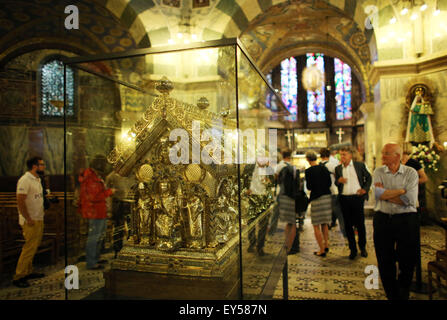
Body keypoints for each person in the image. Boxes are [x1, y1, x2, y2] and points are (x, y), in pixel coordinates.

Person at [373, 143, 419, 300]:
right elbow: (378, 194)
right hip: (383, 219)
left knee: (407, 259)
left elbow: (410, 200)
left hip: (406, 220)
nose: (382, 156)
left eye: (386, 153)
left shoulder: (411, 173)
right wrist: (400, 192)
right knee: (384, 259)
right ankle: (391, 295)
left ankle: (403, 292)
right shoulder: (378, 172)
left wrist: (386, 193)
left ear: (397, 156)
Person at [12, 157, 47, 288]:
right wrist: (28, 218)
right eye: (42, 165)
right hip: (30, 220)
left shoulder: (37, 179)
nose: (44, 167)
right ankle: (18, 276)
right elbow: (20, 201)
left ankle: (28, 271)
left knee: (33, 247)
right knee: (28, 248)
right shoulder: (25, 180)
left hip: (38, 217)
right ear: (34, 166)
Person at [78, 154, 115, 270]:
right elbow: (94, 196)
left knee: (98, 237)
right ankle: (91, 262)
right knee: (94, 238)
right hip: (94, 212)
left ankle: (96, 258)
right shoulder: (90, 177)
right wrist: (109, 192)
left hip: (99, 211)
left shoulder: (94, 175)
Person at [335, 146, 372, 260]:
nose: (342, 157)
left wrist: (364, 189)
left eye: (344, 154)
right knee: (348, 226)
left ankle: (362, 248)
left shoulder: (359, 165)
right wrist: (338, 181)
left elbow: (368, 177)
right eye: (341, 154)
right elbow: (337, 183)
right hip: (344, 199)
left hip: (357, 198)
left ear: (350, 155)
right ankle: (353, 250)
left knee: (360, 224)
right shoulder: (338, 169)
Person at [305, 151, 332, 257]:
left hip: (316, 198)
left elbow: (309, 187)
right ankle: (326, 244)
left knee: (316, 225)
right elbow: (329, 183)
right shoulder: (324, 168)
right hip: (326, 197)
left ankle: (321, 249)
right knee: (325, 223)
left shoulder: (309, 171)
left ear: (307, 159)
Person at [105, 171, 136, 258]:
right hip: (118, 204)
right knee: (118, 228)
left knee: (132, 227)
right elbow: (106, 191)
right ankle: (117, 250)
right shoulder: (112, 176)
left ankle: (131, 249)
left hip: (130, 203)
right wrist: (109, 210)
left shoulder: (133, 175)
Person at [277, 149, 299, 254]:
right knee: (292, 222)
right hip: (291, 197)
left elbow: (277, 179)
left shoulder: (280, 166)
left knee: (289, 222)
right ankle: (290, 245)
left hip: (284, 195)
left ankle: (289, 245)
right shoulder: (293, 167)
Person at [320, 148, 346, 237]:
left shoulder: (319, 165)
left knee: (325, 213)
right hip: (334, 190)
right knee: (339, 213)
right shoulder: (332, 165)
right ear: (329, 155)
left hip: (323, 193)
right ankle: (345, 232)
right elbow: (338, 176)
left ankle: (325, 233)